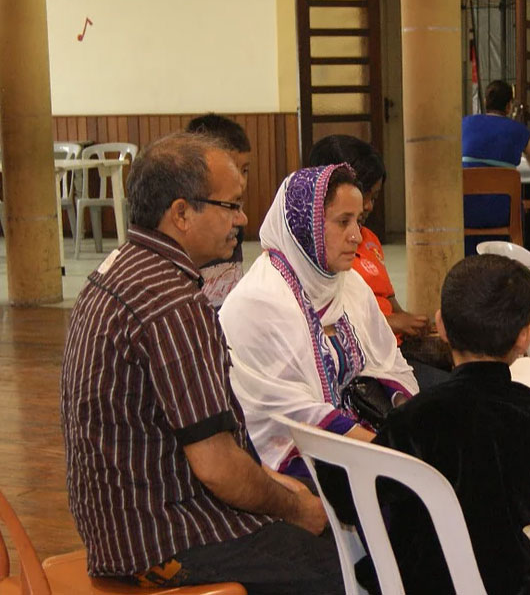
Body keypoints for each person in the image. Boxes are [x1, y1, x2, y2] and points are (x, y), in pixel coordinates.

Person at [60, 132, 342, 593]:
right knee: (342, 570)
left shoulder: (118, 267)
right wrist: (294, 508)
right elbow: (216, 466)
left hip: (119, 524)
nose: (243, 219)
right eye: (231, 206)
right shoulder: (172, 302)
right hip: (163, 539)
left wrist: (280, 488)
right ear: (181, 213)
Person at [320, 254, 530, 595]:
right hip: (508, 580)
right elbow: (528, 504)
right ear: (525, 337)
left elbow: (353, 496)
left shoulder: (416, 418)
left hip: (422, 583)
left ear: (441, 325)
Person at [220, 164, 419, 478]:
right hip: (300, 453)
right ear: (305, 226)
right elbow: (291, 415)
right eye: (343, 222)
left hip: (359, 434)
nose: (357, 236)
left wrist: (407, 426)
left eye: (359, 221)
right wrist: (389, 454)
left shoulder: (347, 284)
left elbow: (388, 362)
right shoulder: (259, 302)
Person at [308, 135, 453, 385]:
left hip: (393, 345)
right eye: (363, 194)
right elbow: (327, 321)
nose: (368, 206)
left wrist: (411, 322)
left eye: (374, 198)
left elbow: (388, 298)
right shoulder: (321, 252)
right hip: (366, 360)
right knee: (449, 389)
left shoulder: (370, 240)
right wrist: (396, 323)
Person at [462, 80, 530, 252]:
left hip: (466, 211)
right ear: (509, 106)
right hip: (502, 213)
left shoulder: (465, 124)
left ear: (485, 102)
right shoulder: (519, 130)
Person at [186, 113, 252, 308]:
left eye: (245, 170)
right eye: (231, 169)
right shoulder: (191, 225)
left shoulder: (237, 218)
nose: (240, 180)